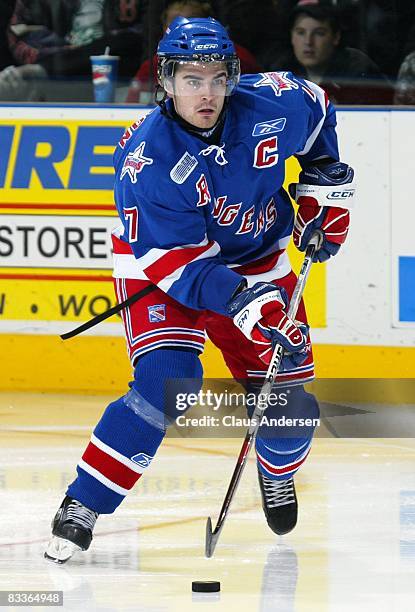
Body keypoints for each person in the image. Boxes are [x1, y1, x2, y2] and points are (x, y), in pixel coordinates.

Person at [45, 16, 355, 563]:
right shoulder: (148, 159)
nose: (207, 93)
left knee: (291, 409)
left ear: (234, 76)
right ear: (166, 80)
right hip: (163, 269)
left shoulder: (274, 104)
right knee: (169, 383)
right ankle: (83, 504)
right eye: (192, 79)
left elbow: (319, 111)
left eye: (218, 77)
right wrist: (239, 303)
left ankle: (276, 472)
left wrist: (322, 188)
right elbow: (179, 266)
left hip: (256, 256)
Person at [126, 0, 261, 104]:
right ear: (164, 28)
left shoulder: (239, 57)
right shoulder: (155, 64)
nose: (207, 95)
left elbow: (256, 96)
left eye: (191, 21)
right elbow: (132, 102)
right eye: (174, 24)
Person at [268, 0, 392, 105]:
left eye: (319, 33)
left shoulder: (357, 70)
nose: (308, 42)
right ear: (291, 37)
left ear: (336, 37)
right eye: (300, 32)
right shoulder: (281, 73)